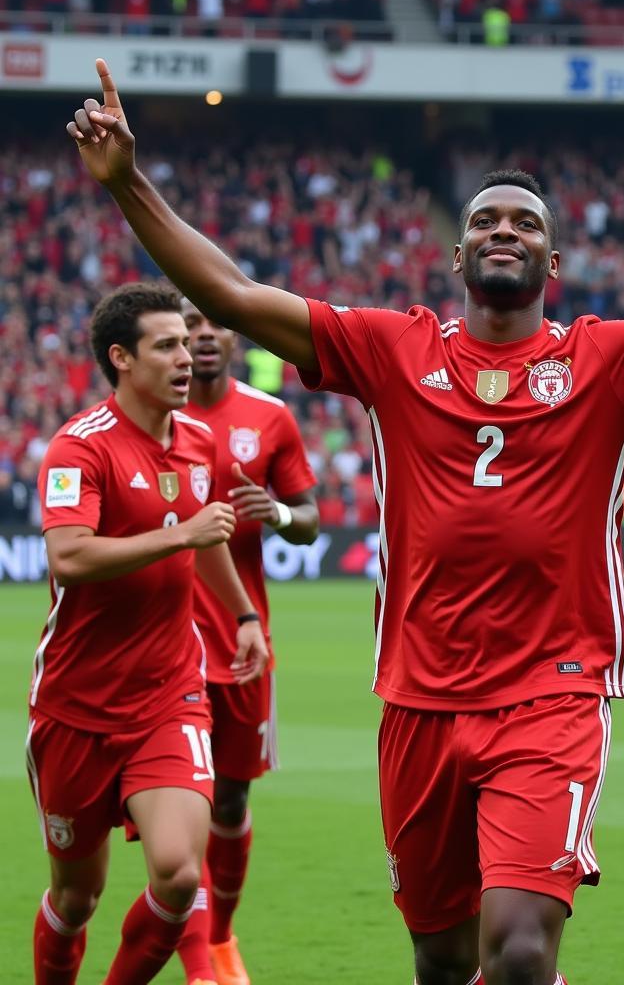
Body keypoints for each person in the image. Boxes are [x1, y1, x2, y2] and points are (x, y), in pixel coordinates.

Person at [66, 60, 624, 985]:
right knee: (444, 961)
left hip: (553, 691)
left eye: (526, 224)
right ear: (458, 258)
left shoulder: (606, 360)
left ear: (553, 262)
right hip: (419, 697)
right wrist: (129, 183)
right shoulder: (389, 347)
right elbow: (232, 296)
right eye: (486, 222)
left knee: (523, 950)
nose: (505, 231)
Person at [27, 282, 268, 985]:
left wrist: (245, 614)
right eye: (166, 344)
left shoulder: (198, 443)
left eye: (188, 341)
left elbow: (209, 536)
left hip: (169, 697)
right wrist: (181, 535)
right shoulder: (79, 447)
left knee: (176, 873)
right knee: (77, 898)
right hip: (74, 705)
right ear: (122, 359)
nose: (188, 354)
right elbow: (69, 557)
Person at [177, 301, 319, 984]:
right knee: (184, 803)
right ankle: (198, 960)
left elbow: (311, 520)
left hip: (242, 640)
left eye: (215, 324)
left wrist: (282, 512)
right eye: (191, 324)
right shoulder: (152, 416)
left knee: (230, 801)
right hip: (165, 645)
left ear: (233, 334)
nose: (205, 335)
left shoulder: (269, 418)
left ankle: (222, 937)